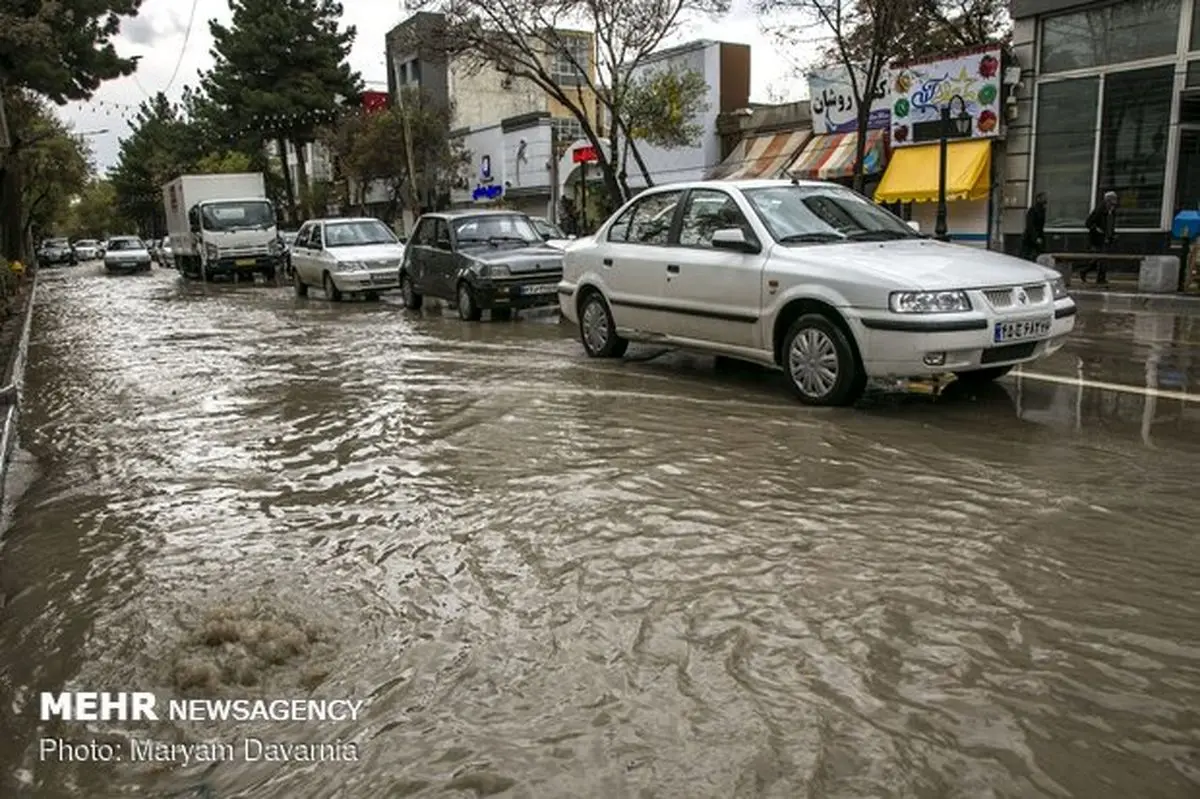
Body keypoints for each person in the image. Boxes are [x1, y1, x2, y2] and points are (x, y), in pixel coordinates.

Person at [1080, 191, 1118, 285]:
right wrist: (1096, 229)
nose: (1114, 203)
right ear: (1107, 201)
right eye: (1112, 201)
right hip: (1097, 238)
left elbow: (1111, 224)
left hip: (1107, 238)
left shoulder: (1112, 211)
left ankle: (1086, 272)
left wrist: (1112, 234)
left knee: (1101, 259)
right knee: (1101, 258)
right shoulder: (1099, 210)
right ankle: (1099, 278)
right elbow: (1088, 223)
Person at [1020, 192, 1047, 261]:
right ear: (1038, 199)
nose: (1045, 199)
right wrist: (1036, 237)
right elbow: (1030, 225)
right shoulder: (1033, 210)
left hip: (1036, 236)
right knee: (1029, 255)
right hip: (1030, 238)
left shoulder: (1042, 210)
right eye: (1043, 198)